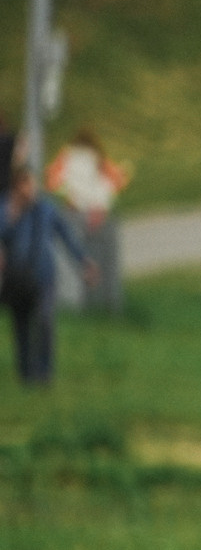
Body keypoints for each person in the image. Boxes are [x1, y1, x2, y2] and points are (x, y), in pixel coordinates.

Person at [0, 162, 92, 386]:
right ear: (16, 187)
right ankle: (26, 374)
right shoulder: (7, 208)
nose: (29, 190)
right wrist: (12, 213)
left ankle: (44, 374)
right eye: (25, 185)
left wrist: (83, 261)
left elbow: (66, 234)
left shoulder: (47, 209)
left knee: (44, 320)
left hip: (43, 277)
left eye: (31, 184)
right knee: (20, 325)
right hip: (17, 279)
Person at [46, 129, 128, 314]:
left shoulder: (67, 156)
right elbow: (116, 181)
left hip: (73, 211)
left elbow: (52, 181)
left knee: (72, 262)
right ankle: (104, 304)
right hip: (98, 214)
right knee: (100, 263)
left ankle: (73, 304)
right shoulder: (98, 157)